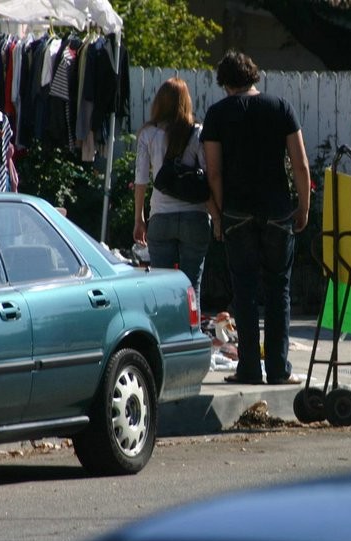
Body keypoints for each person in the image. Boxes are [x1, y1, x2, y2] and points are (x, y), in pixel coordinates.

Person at [201, 50, 311, 386]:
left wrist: (219, 215)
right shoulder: (280, 108)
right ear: (253, 75)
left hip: (237, 212)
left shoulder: (217, 114)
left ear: (224, 82)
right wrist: (303, 205)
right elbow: (301, 164)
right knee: (279, 289)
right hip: (277, 209)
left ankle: (248, 368)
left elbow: (214, 172)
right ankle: (278, 369)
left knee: (244, 290)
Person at [133, 77, 214, 309]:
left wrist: (139, 218)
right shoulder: (198, 132)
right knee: (192, 287)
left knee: (162, 289)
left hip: (160, 217)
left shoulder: (148, 134)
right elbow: (208, 177)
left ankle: (165, 340)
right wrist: (216, 216)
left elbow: (141, 179)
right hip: (195, 218)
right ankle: (191, 336)